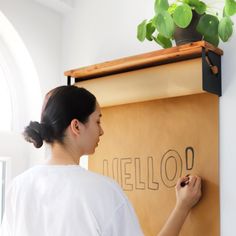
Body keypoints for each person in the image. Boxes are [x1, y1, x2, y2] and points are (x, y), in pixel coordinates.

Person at [0, 85, 201, 236]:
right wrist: (182, 207)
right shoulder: (103, 191)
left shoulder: (17, 187)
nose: (101, 130)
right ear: (76, 126)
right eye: (97, 121)